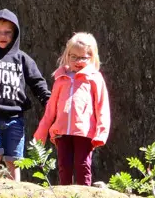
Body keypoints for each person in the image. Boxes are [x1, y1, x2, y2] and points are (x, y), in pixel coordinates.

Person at [0, 9, 51, 180]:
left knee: (14, 159)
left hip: (15, 117)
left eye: (8, 32)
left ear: (15, 33)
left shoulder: (23, 59)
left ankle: (15, 191)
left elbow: (37, 82)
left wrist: (48, 101)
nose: (3, 36)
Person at [34, 32, 111, 186]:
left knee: (82, 165)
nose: (78, 61)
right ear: (67, 56)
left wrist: (101, 132)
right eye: (73, 56)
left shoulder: (94, 78)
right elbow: (50, 110)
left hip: (84, 131)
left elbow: (102, 107)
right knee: (64, 166)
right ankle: (65, 196)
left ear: (92, 57)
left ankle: (84, 197)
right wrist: (40, 134)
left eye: (83, 57)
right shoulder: (61, 79)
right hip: (61, 131)